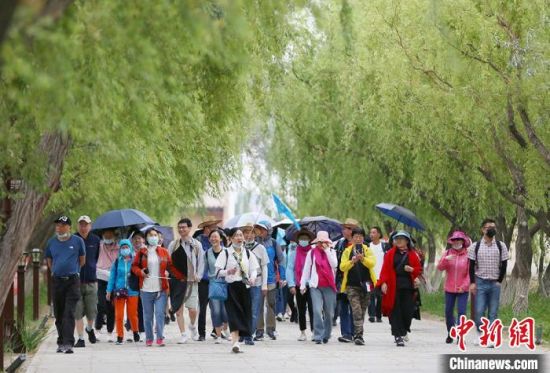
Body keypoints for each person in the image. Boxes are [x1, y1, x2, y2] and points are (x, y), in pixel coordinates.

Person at [44, 215, 86, 354]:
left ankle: (68, 343)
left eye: (62, 225)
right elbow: (49, 260)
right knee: (59, 313)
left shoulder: (78, 241)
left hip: (72, 281)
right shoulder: (51, 242)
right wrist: (56, 271)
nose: (59, 228)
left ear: (69, 226)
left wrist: (73, 271)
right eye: (57, 225)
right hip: (57, 281)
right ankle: (61, 341)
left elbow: (82, 260)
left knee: (69, 312)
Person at [215, 228, 258, 353]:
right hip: (231, 287)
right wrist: (228, 271)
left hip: (245, 287)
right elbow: (217, 272)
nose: (239, 237)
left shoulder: (248, 253)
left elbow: (254, 269)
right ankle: (235, 342)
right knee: (233, 315)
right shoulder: (226, 253)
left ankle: (238, 340)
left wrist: (253, 278)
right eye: (236, 235)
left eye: (241, 235)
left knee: (244, 314)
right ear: (231, 238)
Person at [377, 230, 422, 347]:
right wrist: (383, 283)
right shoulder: (390, 254)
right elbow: (385, 270)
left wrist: (412, 270)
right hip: (393, 286)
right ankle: (398, 335)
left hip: (408, 287)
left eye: (401, 239)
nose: (398, 241)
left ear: (407, 241)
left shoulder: (413, 254)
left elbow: (418, 269)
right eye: (397, 239)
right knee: (395, 311)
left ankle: (404, 329)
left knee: (407, 311)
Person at [132, 227, 175, 347]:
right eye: (150, 235)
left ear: (159, 237)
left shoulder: (164, 252)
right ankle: (149, 338)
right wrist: (141, 272)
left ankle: (160, 337)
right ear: (146, 238)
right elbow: (134, 267)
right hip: (145, 289)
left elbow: (170, 267)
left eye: (155, 235)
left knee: (160, 314)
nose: (153, 237)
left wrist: (169, 272)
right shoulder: (141, 252)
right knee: (148, 315)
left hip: (161, 289)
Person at [468, 219, 509, 346]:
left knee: (493, 312)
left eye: (493, 227)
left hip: (494, 283)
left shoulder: (501, 246)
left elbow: (504, 264)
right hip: (480, 282)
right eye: (488, 227)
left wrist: (499, 281)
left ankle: (490, 337)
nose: (491, 229)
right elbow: (471, 266)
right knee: (479, 311)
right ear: (483, 229)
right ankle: (480, 334)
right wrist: (472, 283)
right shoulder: (476, 246)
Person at [168, 218, 205, 344]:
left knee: (192, 309)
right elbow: (169, 262)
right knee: (178, 308)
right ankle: (183, 334)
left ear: (189, 228)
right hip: (178, 281)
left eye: (184, 227)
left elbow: (201, 261)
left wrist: (198, 275)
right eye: (179, 227)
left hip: (191, 281)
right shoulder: (173, 245)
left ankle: (192, 326)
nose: (181, 229)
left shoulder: (196, 245)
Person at [339, 227, 377, 345]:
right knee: (356, 310)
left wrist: (363, 259)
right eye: (356, 236)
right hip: (351, 286)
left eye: (360, 236)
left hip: (366, 285)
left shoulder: (367, 250)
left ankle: (358, 334)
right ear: (352, 237)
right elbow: (342, 267)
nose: (358, 238)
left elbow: (372, 263)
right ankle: (358, 336)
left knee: (362, 310)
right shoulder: (347, 251)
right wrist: (352, 261)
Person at [300, 231, 337, 344]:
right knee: (316, 310)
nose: (321, 244)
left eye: (324, 241)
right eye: (319, 242)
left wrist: (327, 250)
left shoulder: (332, 252)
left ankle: (326, 334)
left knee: (329, 313)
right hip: (315, 286)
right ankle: (318, 335)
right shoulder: (311, 253)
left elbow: (335, 265)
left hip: (329, 286)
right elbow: (306, 269)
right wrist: (302, 285)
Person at [437, 230, 471, 344]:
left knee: (461, 312)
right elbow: (440, 268)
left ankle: (461, 336)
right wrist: (445, 260)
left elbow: (470, 274)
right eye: (454, 240)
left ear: (463, 241)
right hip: (449, 288)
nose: (456, 242)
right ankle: (450, 333)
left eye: (459, 240)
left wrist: (464, 286)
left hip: (463, 289)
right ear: (451, 242)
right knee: (448, 312)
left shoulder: (468, 255)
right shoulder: (447, 253)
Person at [254, 221, 285, 341]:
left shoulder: (273, 243)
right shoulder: (254, 243)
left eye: (263, 229)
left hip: (271, 278)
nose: (260, 231)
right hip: (257, 278)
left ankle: (271, 329)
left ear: (268, 230)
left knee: (271, 304)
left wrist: (282, 276)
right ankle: (259, 330)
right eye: (258, 228)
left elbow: (281, 260)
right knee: (258, 305)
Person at [73, 215, 101, 348]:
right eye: (81, 224)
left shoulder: (95, 240)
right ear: (78, 226)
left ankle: (89, 329)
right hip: (76, 282)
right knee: (77, 311)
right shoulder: (72, 239)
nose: (83, 227)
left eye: (86, 224)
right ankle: (80, 338)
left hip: (91, 281)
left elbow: (96, 258)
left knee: (92, 311)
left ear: (90, 226)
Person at [106, 239, 140, 344]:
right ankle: (120, 336)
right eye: (123, 248)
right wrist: (109, 290)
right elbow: (112, 277)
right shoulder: (117, 262)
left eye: (127, 247)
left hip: (132, 290)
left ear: (130, 248)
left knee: (132, 314)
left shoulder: (135, 261)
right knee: (119, 315)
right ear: (120, 249)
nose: (125, 249)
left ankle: (135, 332)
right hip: (119, 291)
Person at [196, 216, 222, 341]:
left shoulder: (219, 240)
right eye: (213, 227)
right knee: (202, 307)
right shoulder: (199, 241)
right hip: (203, 280)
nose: (215, 230)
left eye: (215, 228)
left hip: (216, 281)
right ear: (206, 229)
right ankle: (201, 333)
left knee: (216, 307)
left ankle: (215, 331)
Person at [286, 229, 315, 341]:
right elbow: (290, 268)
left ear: (309, 240)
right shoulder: (294, 253)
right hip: (298, 285)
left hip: (311, 285)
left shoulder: (313, 252)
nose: (304, 241)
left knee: (313, 309)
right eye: (301, 239)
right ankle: (302, 332)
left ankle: (314, 331)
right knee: (301, 309)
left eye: (306, 239)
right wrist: (291, 284)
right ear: (298, 240)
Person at [242, 223, 268, 345]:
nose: (249, 235)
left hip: (256, 282)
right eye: (246, 232)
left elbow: (264, 267)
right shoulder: (238, 247)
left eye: (251, 232)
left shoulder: (261, 248)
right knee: (242, 309)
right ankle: (241, 333)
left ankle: (249, 334)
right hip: (241, 282)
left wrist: (264, 284)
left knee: (254, 310)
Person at [334, 218, 358, 343]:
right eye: (343, 228)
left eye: (347, 228)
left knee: (355, 308)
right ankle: (346, 333)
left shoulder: (361, 245)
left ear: (352, 230)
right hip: (342, 280)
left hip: (356, 281)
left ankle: (356, 332)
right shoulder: (339, 244)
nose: (343, 230)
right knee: (343, 307)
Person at [205, 229, 229, 343]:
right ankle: (218, 335)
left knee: (226, 311)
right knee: (215, 311)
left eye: (216, 237)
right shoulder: (207, 253)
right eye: (211, 237)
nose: (213, 239)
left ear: (220, 238)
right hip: (213, 284)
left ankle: (226, 330)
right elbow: (203, 269)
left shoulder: (227, 252)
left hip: (227, 284)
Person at [95, 228, 119, 341]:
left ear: (114, 236)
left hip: (113, 280)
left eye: (110, 235)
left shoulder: (119, 247)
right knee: (101, 305)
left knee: (111, 306)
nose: (108, 237)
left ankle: (110, 331)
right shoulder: (99, 246)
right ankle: (98, 329)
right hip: (101, 278)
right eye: (106, 235)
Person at [367, 226, 390, 323]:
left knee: (380, 296)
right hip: (370, 275)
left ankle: (378, 315)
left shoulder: (384, 246)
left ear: (379, 234)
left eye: (374, 232)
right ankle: (371, 315)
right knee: (371, 295)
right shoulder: (367, 246)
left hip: (381, 275)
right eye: (371, 233)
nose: (371, 234)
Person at [130, 230, 146, 339]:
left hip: (144, 281)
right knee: (132, 308)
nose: (137, 240)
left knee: (142, 307)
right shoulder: (128, 251)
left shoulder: (146, 251)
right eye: (135, 238)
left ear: (143, 240)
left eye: (139, 238)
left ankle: (142, 330)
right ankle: (132, 330)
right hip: (132, 281)